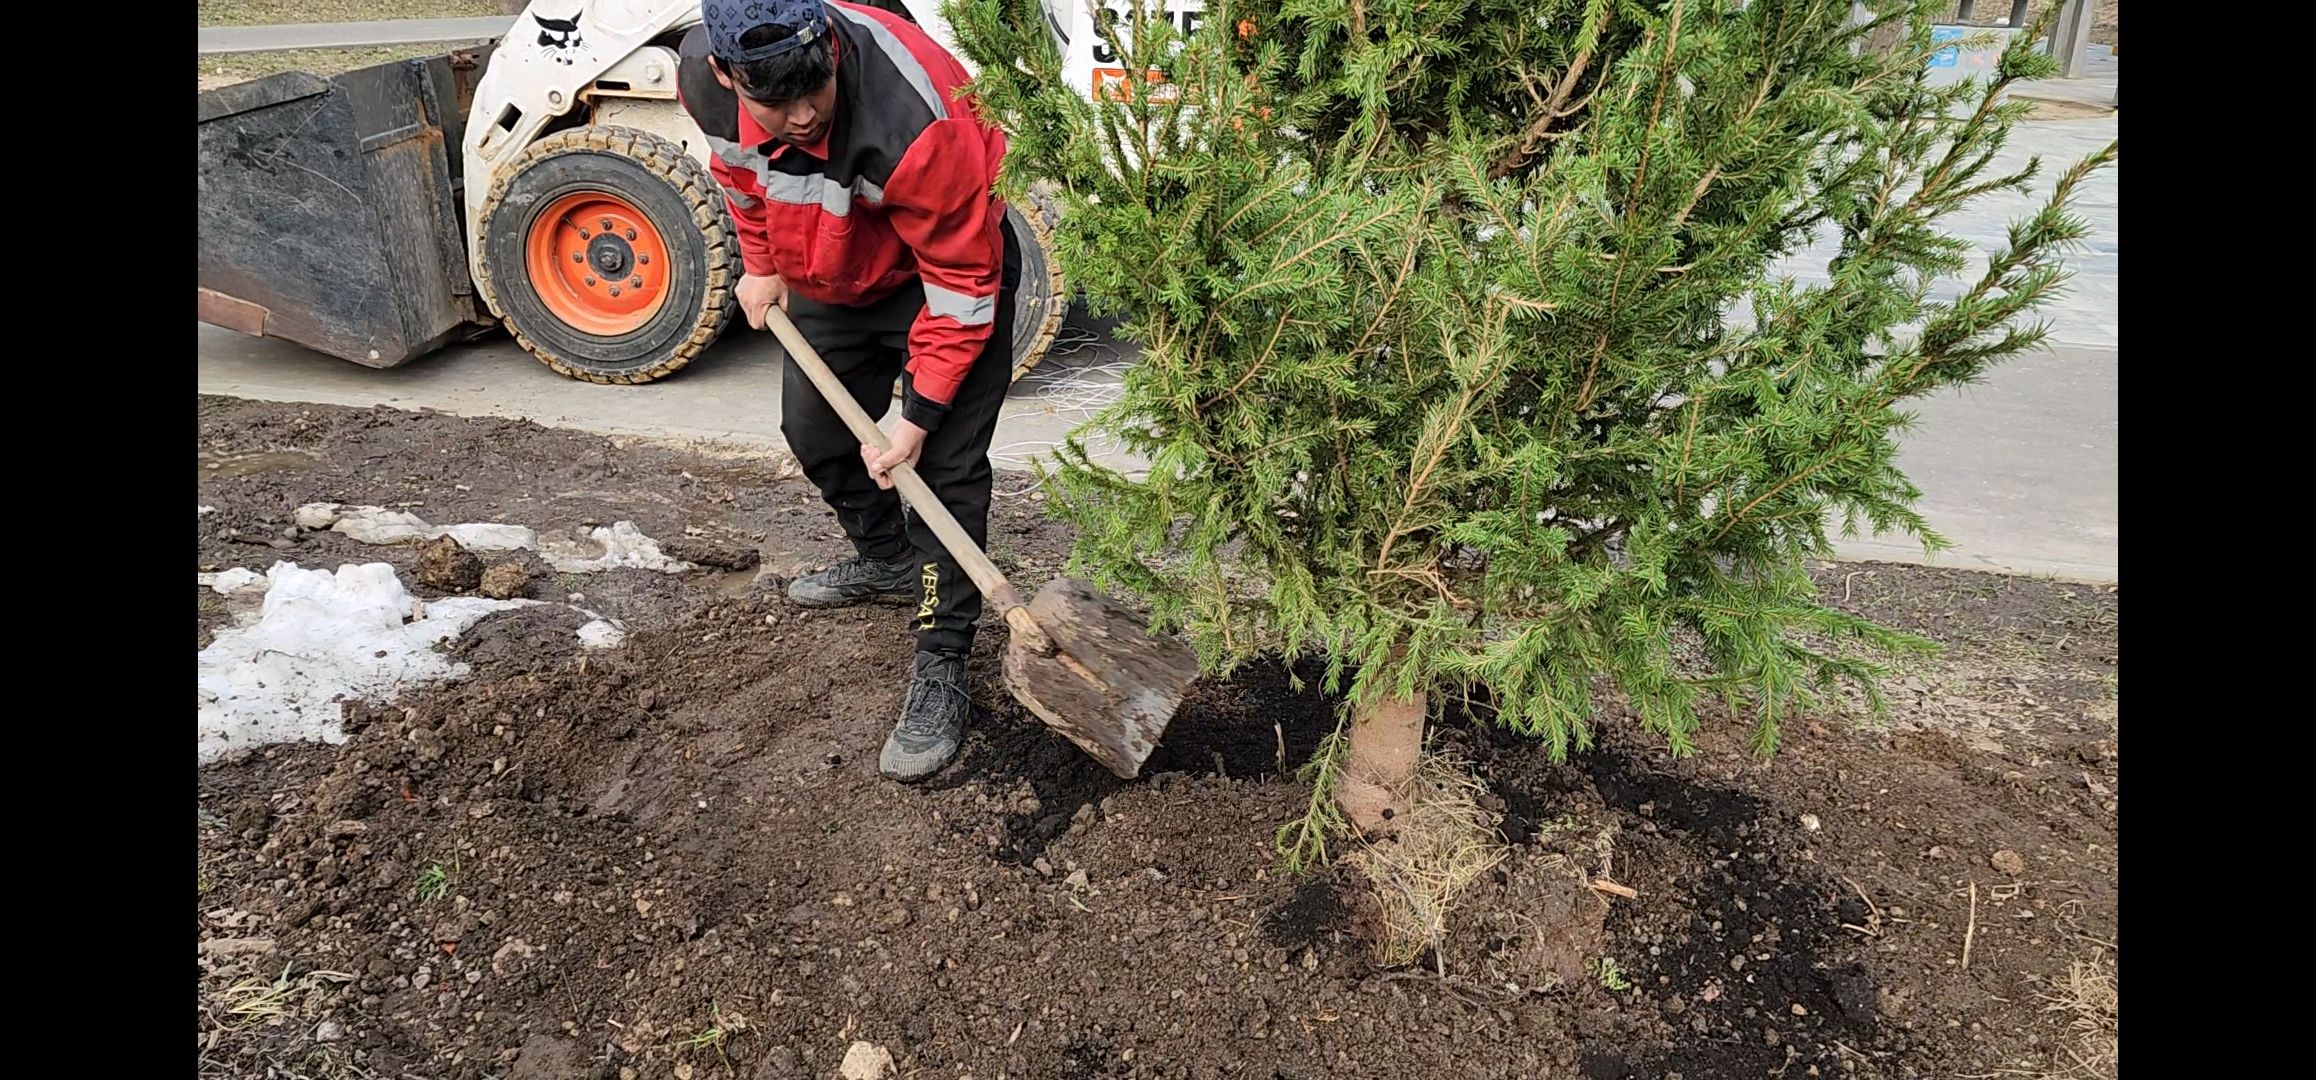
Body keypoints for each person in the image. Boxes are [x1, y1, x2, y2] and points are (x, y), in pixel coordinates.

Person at [679, 0, 1017, 781]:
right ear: (728, 74)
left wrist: (917, 414)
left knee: (945, 471)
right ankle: (888, 561)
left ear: (830, 45)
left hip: (942, 279)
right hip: (828, 266)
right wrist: (759, 260)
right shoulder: (705, 80)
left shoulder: (919, 116)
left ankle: (943, 657)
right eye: (774, 100)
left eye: (815, 90)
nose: (800, 115)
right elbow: (740, 173)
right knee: (818, 433)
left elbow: (964, 285)